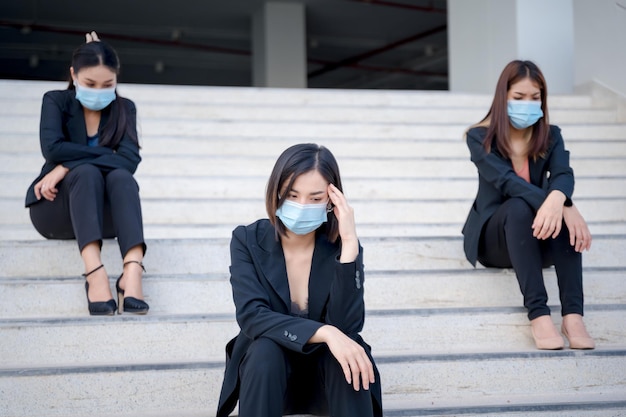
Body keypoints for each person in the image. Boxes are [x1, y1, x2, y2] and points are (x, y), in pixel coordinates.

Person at [216, 143, 382, 417]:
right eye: (293, 195)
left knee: (344, 350)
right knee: (264, 350)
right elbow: (252, 317)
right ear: (278, 191)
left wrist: (350, 243)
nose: (302, 206)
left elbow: (347, 326)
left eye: (315, 198)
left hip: (327, 380)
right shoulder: (247, 239)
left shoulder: (342, 247)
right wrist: (326, 332)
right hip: (268, 377)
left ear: (332, 199)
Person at [462, 60, 595, 350]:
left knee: (558, 207)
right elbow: (507, 182)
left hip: (537, 239)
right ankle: (539, 315)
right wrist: (562, 204)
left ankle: (573, 315)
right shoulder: (479, 138)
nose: (528, 104)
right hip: (495, 241)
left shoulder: (551, 135)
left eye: (535, 98)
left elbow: (562, 174)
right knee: (521, 205)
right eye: (519, 98)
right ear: (503, 98)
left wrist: (562, 200)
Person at [25, 31, 148, 316]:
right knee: (88, 173)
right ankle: (95, 273)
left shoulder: (124, 108)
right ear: (73, 74)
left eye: (108, 84)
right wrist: (80, 162)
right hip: (55, 209)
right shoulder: (56, 101)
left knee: (122, 177)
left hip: (107, 217)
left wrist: (67, 164)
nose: (98, 91)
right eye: (90, 83)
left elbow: (129, 160)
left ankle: (132, 271)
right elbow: (53, 149)